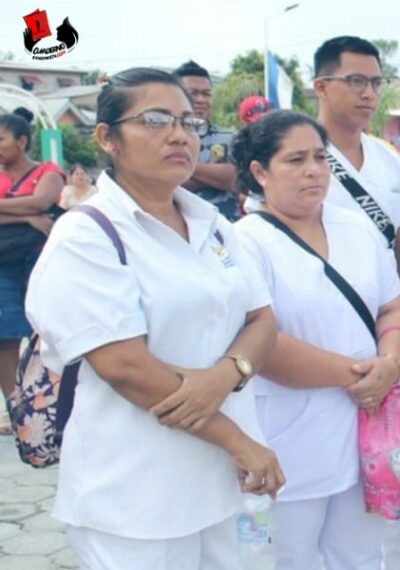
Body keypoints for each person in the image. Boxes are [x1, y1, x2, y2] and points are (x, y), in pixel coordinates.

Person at [24, 67, 284, 568]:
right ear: (108, 138)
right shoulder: (87, 236)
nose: (179, 135)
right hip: (136, 495)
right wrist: (237, 440)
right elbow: (125, 368)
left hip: (221, 482)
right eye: (156, 120)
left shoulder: (213, 224)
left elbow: (262, 319)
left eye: (189, 122)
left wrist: (225, 375)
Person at [231, 110, 400, 569]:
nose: (313, 170)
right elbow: (263, 343)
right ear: (260, 172)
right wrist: (360, 377)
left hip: (367, 429)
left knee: (359, 555)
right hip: (287, 435)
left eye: (320, 158)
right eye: (295, 160)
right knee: (286, 556)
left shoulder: (356, 229)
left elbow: (393, 307)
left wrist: (390, 364)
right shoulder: (244, 243)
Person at [313, 36, 400, 368]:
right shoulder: (295, 157)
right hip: (324, 324)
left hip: (390, 323)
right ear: (321, 86)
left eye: (376, 83)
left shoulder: (386, 158)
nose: (369, 93)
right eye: (356, 81)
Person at [0, 112, 64, 405]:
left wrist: (19, 209)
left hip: (42, 262)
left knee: (49, 330)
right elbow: (36, 207)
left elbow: (43, 201)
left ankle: (52, 401)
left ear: (22, 142)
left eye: (1, 139)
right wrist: (27, 217)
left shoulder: (49, 172)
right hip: (3, 264)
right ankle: (15, 405)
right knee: (5, 335)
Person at [172, 60, 241, 221]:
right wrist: (213, 172)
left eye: (206, 94)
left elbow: (235, 179)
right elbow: (160, 184)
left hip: (223, 224)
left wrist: (183, 166)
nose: (201, 99)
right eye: (193, 93)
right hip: (179, 225)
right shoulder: (165, 138)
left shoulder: (229, 136)